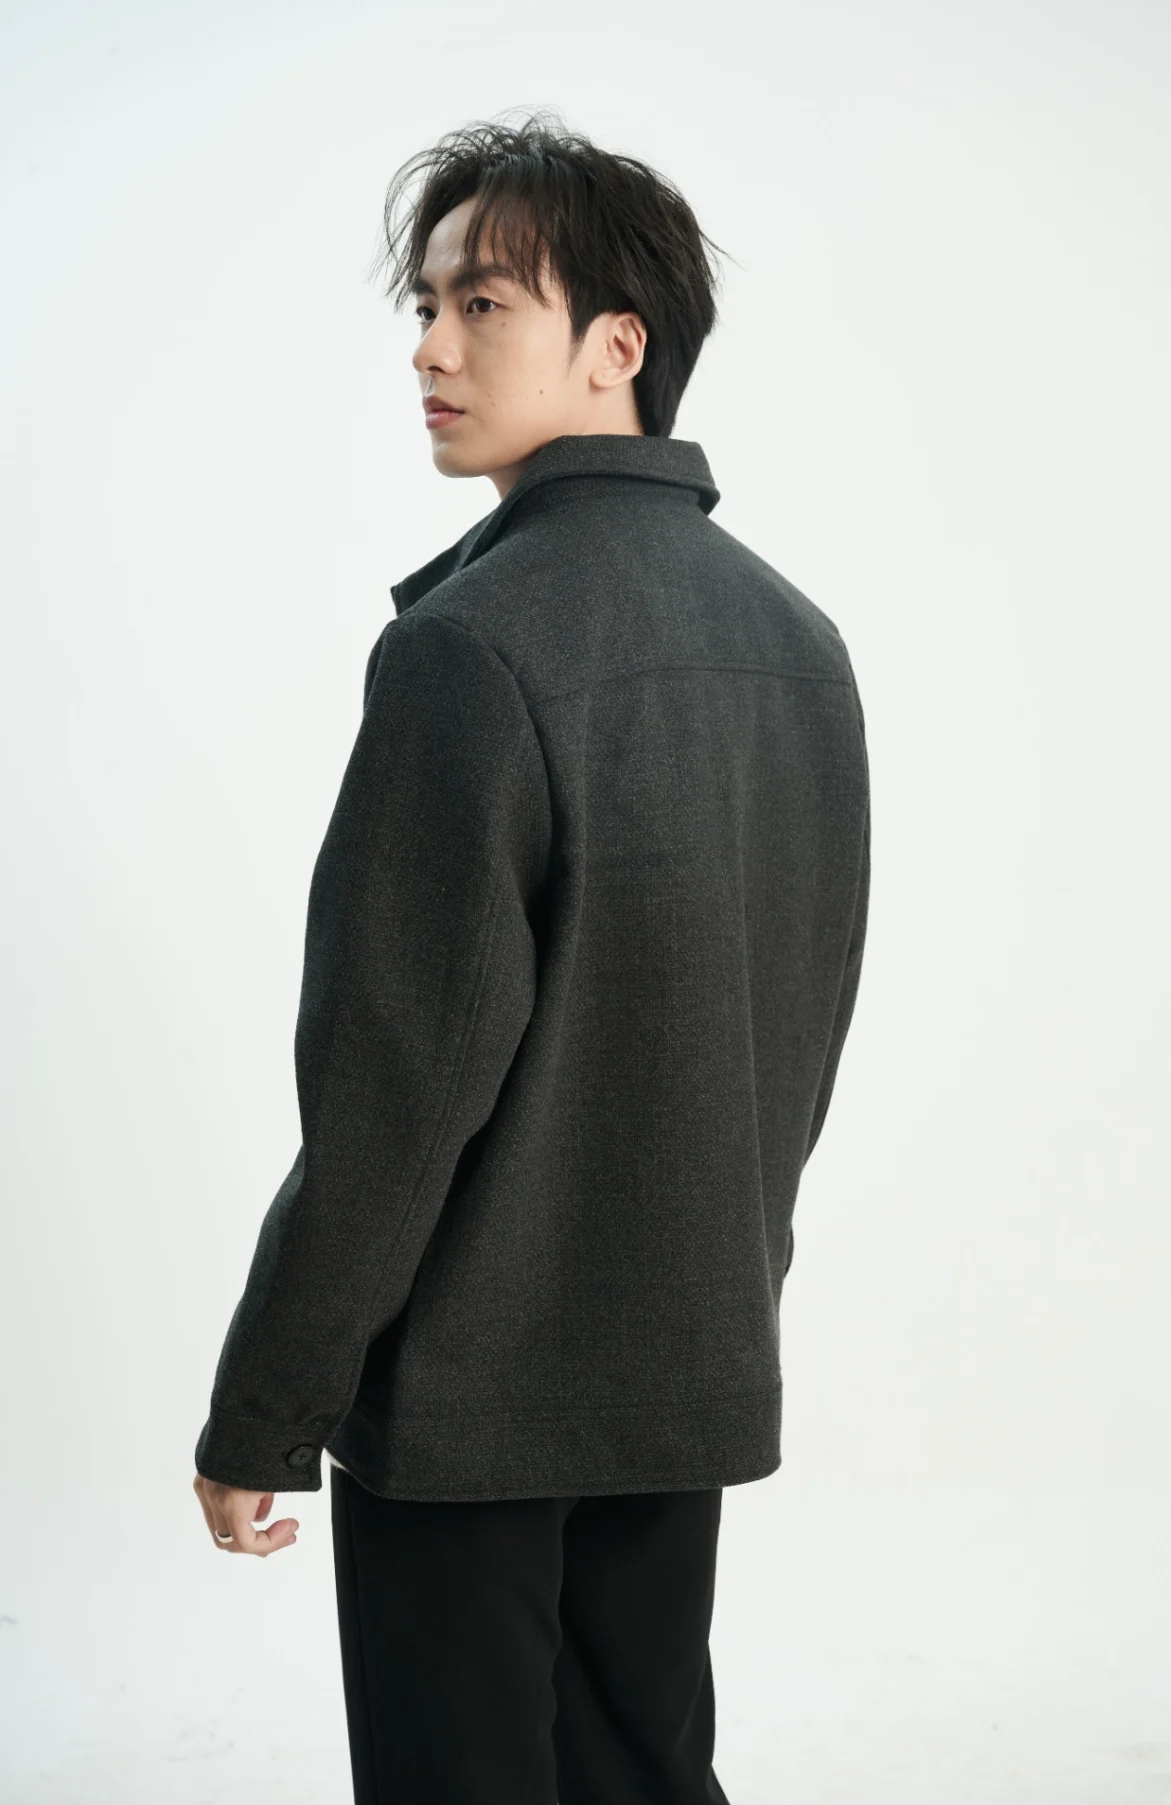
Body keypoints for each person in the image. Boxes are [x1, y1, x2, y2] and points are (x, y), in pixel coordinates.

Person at [192, 105, 871, 1805]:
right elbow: (795, 1037)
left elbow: (390, 1100)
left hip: (470, 1406)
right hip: (690, 1361)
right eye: (425, 306)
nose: (430, 349)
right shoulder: (799, 644)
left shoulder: (471, 650)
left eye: (482, 305)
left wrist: (266, 1408)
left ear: (616, 348)